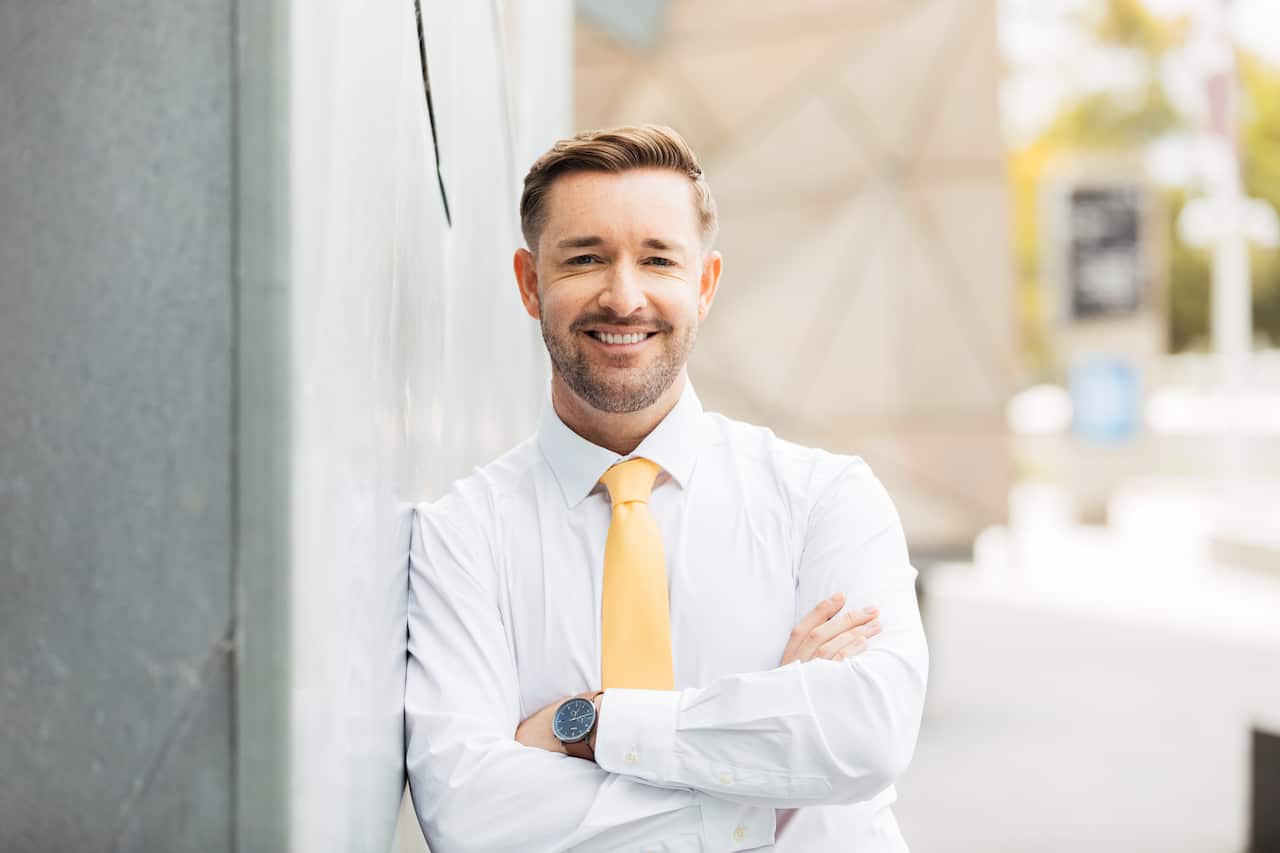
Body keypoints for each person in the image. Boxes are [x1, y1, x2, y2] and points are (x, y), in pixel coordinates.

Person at [406, 124, 928, 852]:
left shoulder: (826, 498)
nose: (624, 297)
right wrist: (759, 772)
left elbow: (866, 734)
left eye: (658, 259)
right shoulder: (459, 535)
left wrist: (587, 724)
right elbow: (470, 815)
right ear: (531, 283)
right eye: (585, 258)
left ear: (705, 283)